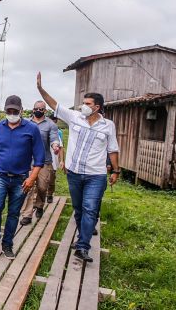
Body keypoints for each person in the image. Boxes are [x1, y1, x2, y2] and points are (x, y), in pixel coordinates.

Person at [36, 72, 119, 263]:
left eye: (88, 104)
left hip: (96, 175)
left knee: (90, 209)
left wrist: (116, 170)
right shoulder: (74, 117)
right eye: (83, 103)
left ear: (97, 107)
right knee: (79, 209)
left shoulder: (108, 126)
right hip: (74, 173)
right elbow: (54, 104)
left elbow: (113, 149)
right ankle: (83, 238)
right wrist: (41, 89)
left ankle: (82, 246)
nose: (83, 106)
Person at [0, 95, 45, 259]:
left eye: (15, 111)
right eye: (9, 111)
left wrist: (31, 179)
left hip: (21, 179)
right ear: (5, 110)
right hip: (0, 176)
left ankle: (7, 244)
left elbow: (39, 159)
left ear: (21, 110)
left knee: (14, 213)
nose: (12, 113)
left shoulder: (31, 129)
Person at [20, 101, 61, 225]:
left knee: (42, 187)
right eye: (36, 108)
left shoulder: (50, 124)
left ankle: (39, 205)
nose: (39, 110)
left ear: (45, 110)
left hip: (44, 161)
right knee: (28, 187)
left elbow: (54, 138)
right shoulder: (26, 123)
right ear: (33, 109)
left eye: (41, 109)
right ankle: (27, 215)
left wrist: (55, 146)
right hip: (28, 161)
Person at [47, 114, 65, 203]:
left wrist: (61, 160)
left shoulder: (58, 133)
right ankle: (37, 200)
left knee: (51, 178)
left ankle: (49, 194)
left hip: (53, 159)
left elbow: (61, 147)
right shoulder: (40, 130)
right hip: (41, 160)